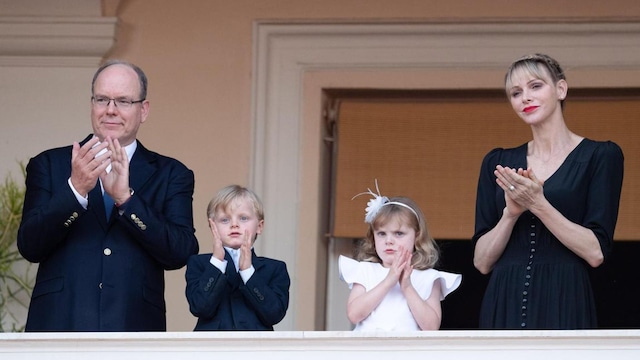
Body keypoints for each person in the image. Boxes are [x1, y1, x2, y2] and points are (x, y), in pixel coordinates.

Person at [17, 60, 199, 331]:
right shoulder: (49, 164)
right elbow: (30, 245)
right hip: (59, 325)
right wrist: (75, 190)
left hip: (133, 328)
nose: (111, 110)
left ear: (143, 110)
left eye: (123, 101)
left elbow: (181, 252)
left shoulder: (172, 173)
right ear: (92, 104)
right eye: (103, 99)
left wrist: (127, 200)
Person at [472, 53, 624, 329]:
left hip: (564, 295)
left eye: (535, 86)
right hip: (503, 296)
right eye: (516, 93)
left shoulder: (601, 156)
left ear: (561, 89)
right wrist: (510, 214)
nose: (525, 98)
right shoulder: (496, 162)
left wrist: (538, 204)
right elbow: (482, 262)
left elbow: (596, 252)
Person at [339, 182, 461, 331]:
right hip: (369, 352)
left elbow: (431, 326)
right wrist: (388, 281)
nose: (389, 241)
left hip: (408, 353)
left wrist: (407, 286)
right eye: (381, 234)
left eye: (399, 233)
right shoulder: (365, 270)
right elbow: (354, 314)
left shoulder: (428, 277)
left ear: (417, 236)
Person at [185, 185, 290, 331]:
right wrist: (217, 263)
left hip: (257, 350)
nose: (234, 224)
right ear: (212, 225)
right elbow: (199, 307)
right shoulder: (199, 264)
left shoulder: (275, 269)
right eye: (225, 220)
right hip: (212, 350)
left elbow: (274, 314)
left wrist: (248, 272)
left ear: (259, 226)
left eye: (243, 218)